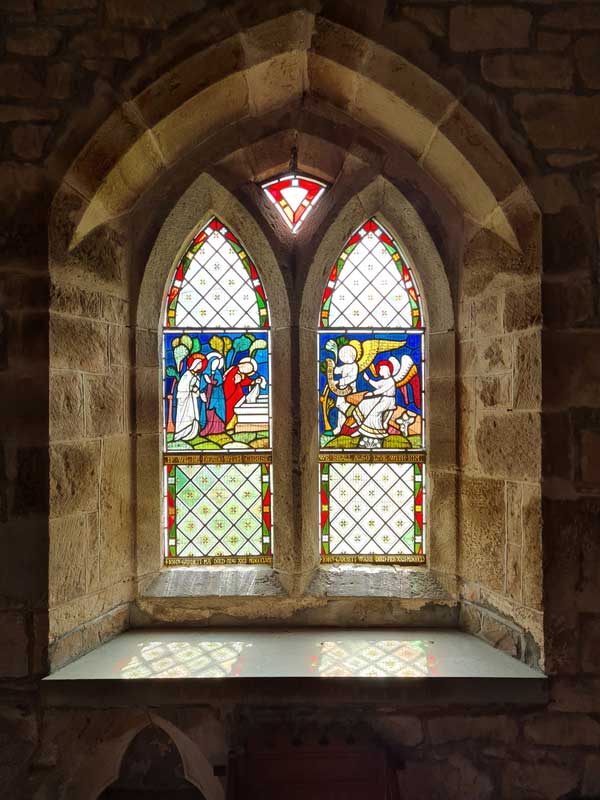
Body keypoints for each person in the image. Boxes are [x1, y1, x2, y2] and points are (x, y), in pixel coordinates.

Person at [350, 359, 397, 442]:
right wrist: (368, 379)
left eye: (380, 369)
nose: (379, 371)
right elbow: (376, 385)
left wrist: (372, 393)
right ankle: (360, 422)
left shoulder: (391, 381)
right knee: (366, 403)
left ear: (386, 369)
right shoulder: (384, 380)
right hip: (383, 398)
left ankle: (367, 430)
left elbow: (381, 390)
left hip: (388, 401)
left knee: (374, 413)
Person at [173, 353, 207, 442]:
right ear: (195, 364)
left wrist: (197, 391)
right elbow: (181, 388)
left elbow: (197, 388)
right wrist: (192, 389)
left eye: (201, 364)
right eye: (199, 363)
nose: (200, 365)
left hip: (192, 399)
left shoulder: (196, 376)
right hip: (185, 401)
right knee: (187, 417)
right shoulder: (187, 375)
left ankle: (191, 434)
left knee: (193, 416)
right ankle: (181, 434)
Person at [223, 357, 260, 431]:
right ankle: (228, 427)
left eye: (248, 370)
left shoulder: (240, 376)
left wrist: (255, 381)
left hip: (238, 399)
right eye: (246, 367)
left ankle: (230, 426)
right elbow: (228, 382)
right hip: (231, 400)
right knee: (230, 412)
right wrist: (234, 380)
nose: (245, 369)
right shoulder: (232, 372)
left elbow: (244, 382)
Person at [331, 344, 358, 435]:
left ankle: (354, 419)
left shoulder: (354, 366)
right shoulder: (345, 366)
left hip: (350, 390)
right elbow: (337, 371)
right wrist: (333, 366)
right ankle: (340, 428)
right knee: (339, 407)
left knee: (345, 406)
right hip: (342, 390)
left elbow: (352, 378)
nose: (343, 358)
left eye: (344, 355)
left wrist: (339, 381)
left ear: (350, 355)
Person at [199, 352, 226, 435]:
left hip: (217, 395)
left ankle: (218, 429)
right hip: (208, 394)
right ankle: (207, 428)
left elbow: (219, 382)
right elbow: (202, 385)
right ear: (210, 362)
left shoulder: (218, 373)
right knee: (208, 409)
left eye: (217, 364)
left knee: (216, 410)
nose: (215, 365)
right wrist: (202, 392)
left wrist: (211, 381)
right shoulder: (205, 372)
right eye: (214, 363)